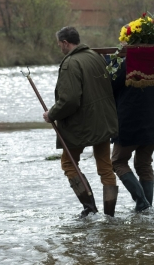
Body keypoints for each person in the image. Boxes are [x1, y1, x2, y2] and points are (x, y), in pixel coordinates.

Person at [43, 26, 119, 218]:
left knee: (69, 164)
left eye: (59, 43)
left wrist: (51, 114)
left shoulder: (70, 63)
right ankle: (110, 216)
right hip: (103, 121)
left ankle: (90, 209)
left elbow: (69, 100)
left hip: (81, 126)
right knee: (105, 167)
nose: (59, 47)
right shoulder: (96, 56)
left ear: (66, 43)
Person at [109, 60, 154, 212]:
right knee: (144, 163)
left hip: (131, 119)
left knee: (118, 161)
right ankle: (146, 209)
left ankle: (142, 203)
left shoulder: (121, 62)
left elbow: (109, 86)